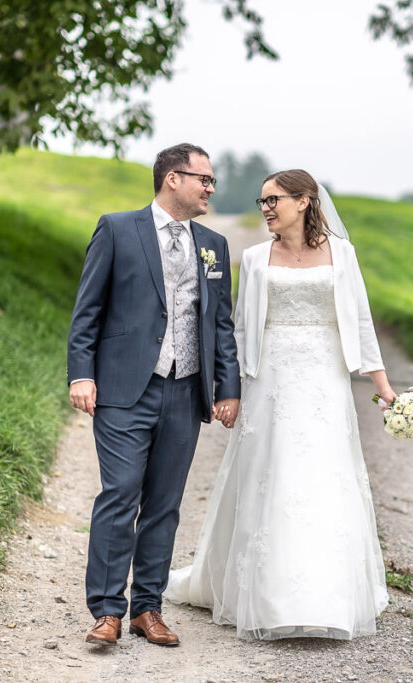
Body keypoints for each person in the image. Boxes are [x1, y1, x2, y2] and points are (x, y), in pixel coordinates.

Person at [164, 169, 396, 640]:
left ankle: (326, 598)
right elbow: (240, 330)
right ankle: (268, 597)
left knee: (323, 480)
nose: (266, 208)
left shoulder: (342, 255)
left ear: (305, 201)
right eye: (262, 201)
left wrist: (384, 387)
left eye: (275, 200)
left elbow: (361, 322)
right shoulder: (253, 258)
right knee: (274, 476)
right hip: (271, 381)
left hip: (325, 383)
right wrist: (231, 388)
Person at [67, 143, 241, 647]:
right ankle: (107, 611)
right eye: (203, 179)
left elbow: (221, 325)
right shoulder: (118, 229)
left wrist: (225, 388)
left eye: (212, 181)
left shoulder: (213, 244)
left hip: (184, 393)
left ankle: (147, 607)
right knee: (120, 495)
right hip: (124, 388)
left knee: (164, 505)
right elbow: (87, 311)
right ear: (172, 179)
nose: (210, 188)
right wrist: (82, 374)